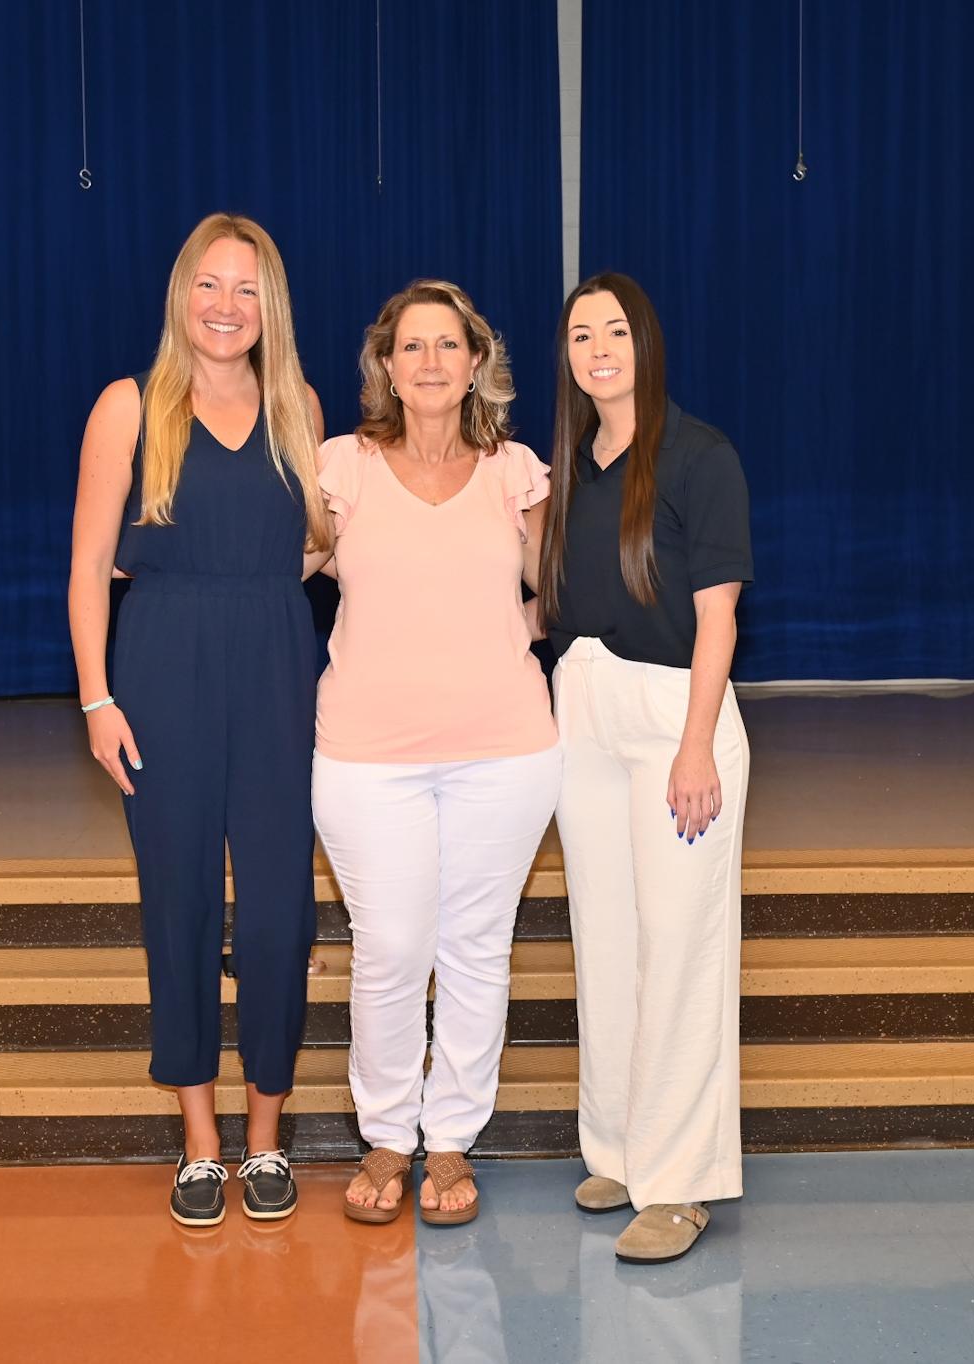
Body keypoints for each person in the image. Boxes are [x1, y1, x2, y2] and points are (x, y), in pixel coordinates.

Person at [68, 213, 329, 1228]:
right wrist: (97, 698)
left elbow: (313, 547)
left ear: (271, 305)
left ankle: (265, 1134)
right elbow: (90, 566)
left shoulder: (297, 405)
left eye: (246, 288)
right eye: (209, 285)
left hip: (274, 664)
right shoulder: (128, 407)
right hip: (162, 666)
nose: (226, 305)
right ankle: (201, 1144)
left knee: (276, 913)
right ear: (182, 294)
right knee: (176, 902)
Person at [313, 280, 560, 1227]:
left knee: (475, 948)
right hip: (367, 757)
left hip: (504, 752)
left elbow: (562, 590)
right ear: (385, 364)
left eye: (447, 345)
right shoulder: (343, 467)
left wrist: (507, 630)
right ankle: (386, 1132)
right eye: (410, 346)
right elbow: (269, 568)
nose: (429, 361)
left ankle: (450, 1136)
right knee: (391, 947)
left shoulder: (514, 471)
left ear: (475, 362)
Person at [539, 272, 753, 1264]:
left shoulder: (700, 456)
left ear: (646, 343)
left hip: (674, 716)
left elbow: (718, 617)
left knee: (679, 945)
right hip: (583, 708)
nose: (598, 348)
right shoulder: (571, 467)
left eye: (615, 330)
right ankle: (622, 1149)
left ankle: (681, 1182)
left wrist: (696, 743)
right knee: (608, 937)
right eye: (581, 333)